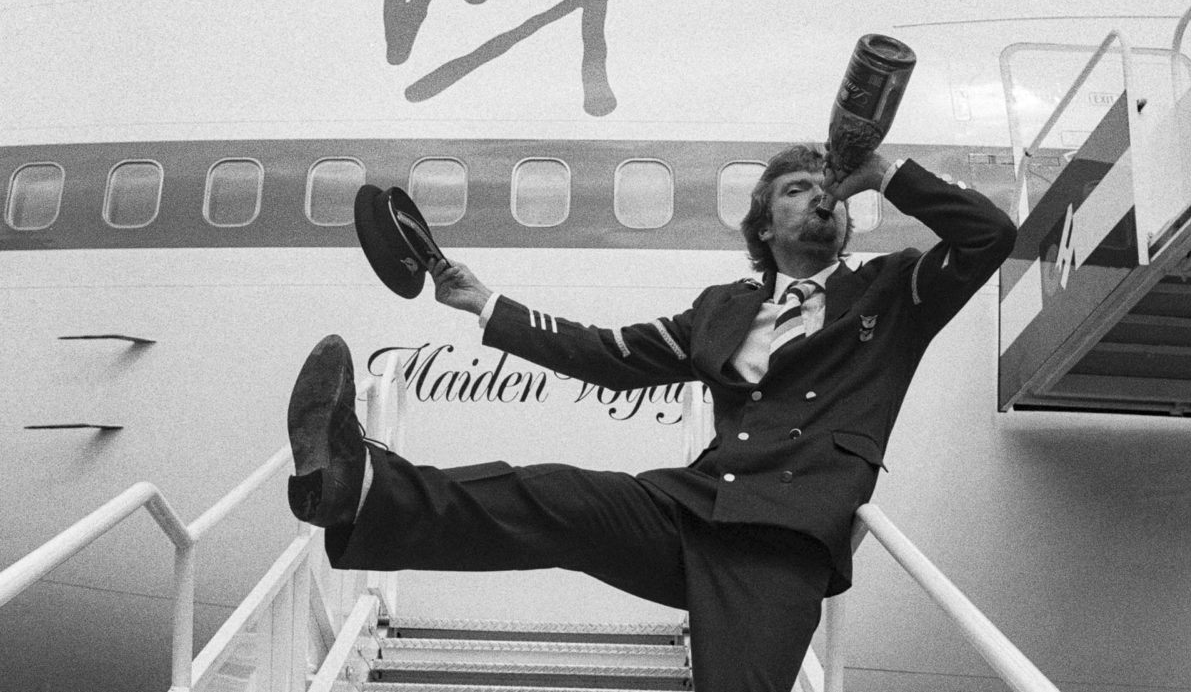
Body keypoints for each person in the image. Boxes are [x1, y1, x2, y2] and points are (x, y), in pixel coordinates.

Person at [285, 145, 1016, 691]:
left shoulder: (893, 293)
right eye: (798, 188)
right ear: (765, 222)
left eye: (831, 190)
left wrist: (884, 171)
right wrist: (485, 303)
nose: (821, 197)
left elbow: (990, 235)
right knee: (553, 494)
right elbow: (607, 353)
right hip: (692, 507)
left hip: (781, 544)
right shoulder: (724, 310)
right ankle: (360, 485)